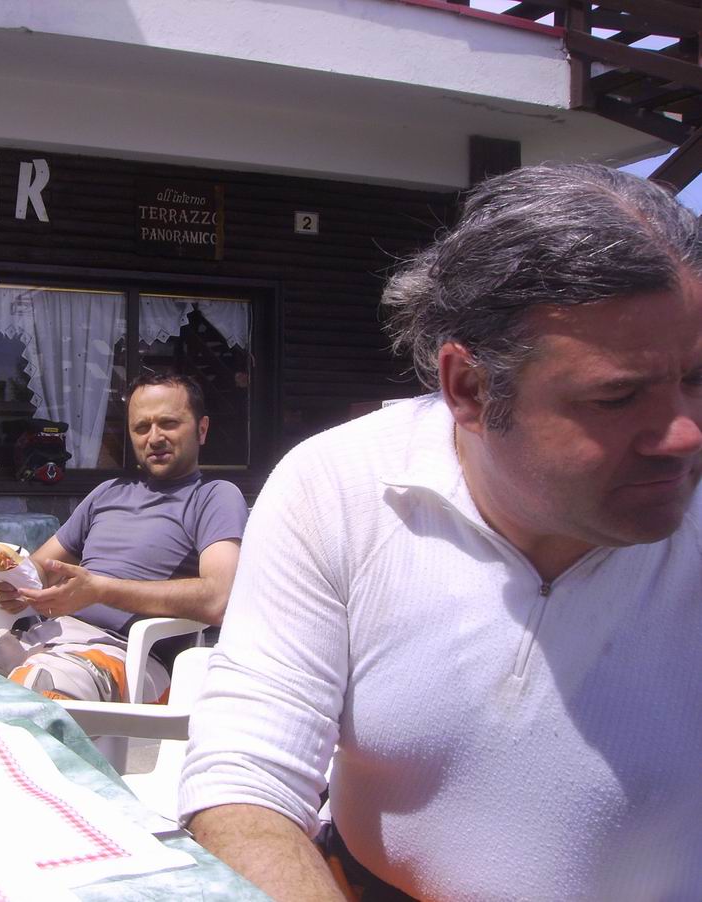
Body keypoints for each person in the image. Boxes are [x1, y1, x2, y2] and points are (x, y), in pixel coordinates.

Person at [180, 163, 702, 900]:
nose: (682, 434)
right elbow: (244, 775)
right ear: (470, 387)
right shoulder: (341, 486)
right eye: (618, 397)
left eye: (697, 380)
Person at [0, 371, 248, 702]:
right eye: (141, 427)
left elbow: (218, 599)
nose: (154, 437)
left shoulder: (215, 497)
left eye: (169, 423)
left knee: (35, 688)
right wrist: (14, 583)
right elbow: (41, 566)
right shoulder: (108, 493)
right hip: (43, 638)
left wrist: (100, 590)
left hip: (127, 655)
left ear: (201, 429)